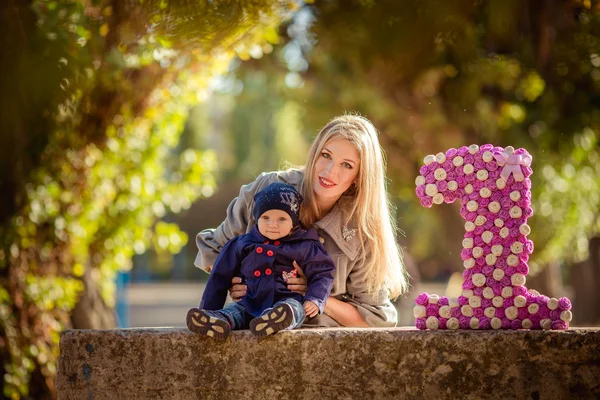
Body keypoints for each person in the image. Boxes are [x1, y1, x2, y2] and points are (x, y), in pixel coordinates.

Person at [194, 114, 409, 327]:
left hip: (321, 349)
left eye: (347, 165)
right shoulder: (267, 188)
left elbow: (375, 320)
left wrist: (314, 292)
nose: (330, 171)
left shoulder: (363, 229)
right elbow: (213, 248)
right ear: (314, 153)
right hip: (251, 333)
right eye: (326, 155)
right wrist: (237, 279)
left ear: (359, 177)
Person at [187, 182, 335, 340]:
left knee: (294, 309)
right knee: (234, 311)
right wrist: (208, 308)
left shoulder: (305, 246)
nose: (273, 224)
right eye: (265, 217)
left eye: (282, 219)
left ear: (294, 221)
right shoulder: (243, 244)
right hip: (250, 302)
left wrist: (315, 299)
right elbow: (219, 276)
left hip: (287, 299)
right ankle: (215, 321)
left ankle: (280, 320)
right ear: (257, 218)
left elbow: (323, 272)